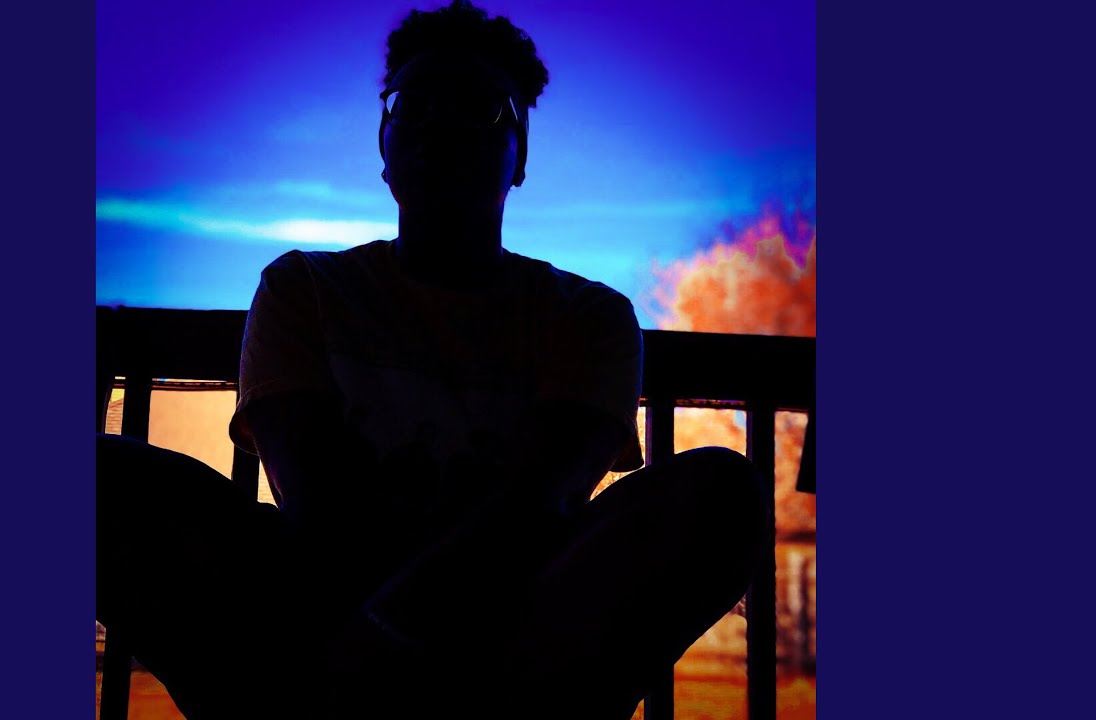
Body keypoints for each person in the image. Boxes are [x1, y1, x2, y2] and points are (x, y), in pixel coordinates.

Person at [97, 2, 766, 718]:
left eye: (477, 106)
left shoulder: (589, 317)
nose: (438, 123)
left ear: (521, 156)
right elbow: (316, 510)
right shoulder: (304, 289)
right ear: (383, 144)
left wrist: (380, 644)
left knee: (724, 492)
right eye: (411, 104)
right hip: (336, 614)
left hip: (500, 632)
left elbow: (539, 505)